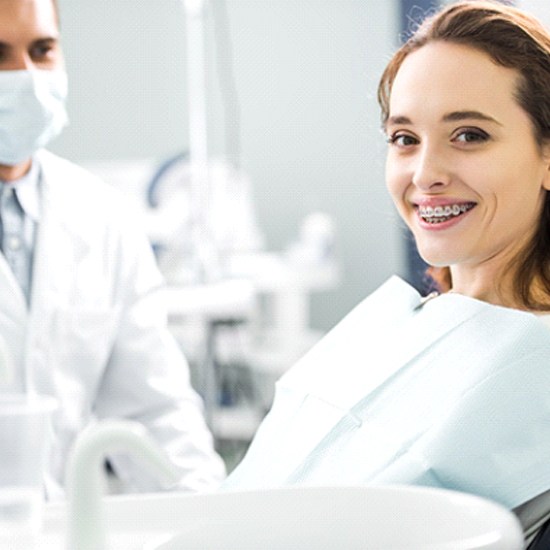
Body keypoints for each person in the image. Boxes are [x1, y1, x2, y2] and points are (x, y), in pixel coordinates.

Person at [222, 0, 550, 518]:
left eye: (468, 135)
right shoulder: (396, 333)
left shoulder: (536, 368)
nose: (425, 173)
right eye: (404, 139)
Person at [0, 0, 225, 498]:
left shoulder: (100, 218)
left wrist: (208, 521)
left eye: (43, 50)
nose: (27, 78)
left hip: (56, 530)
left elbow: (153, 410)